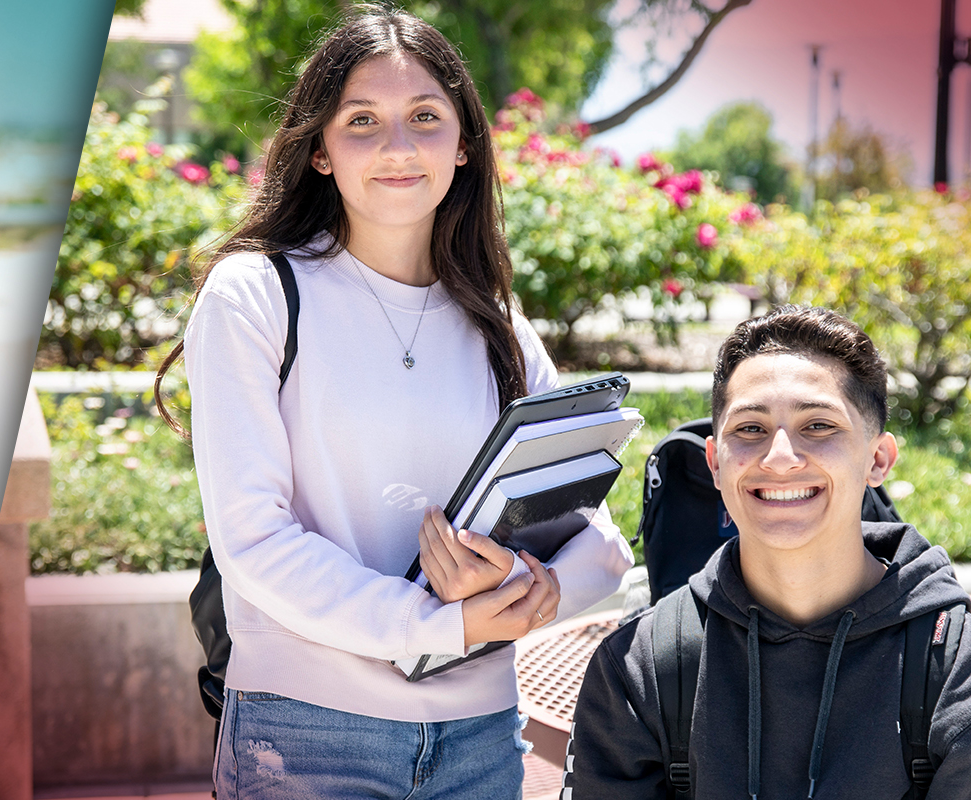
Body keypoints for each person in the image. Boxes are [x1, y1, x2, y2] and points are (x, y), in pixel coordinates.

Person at [163, 6, 629, 797]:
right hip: (305, 731)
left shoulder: (499, 327)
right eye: (362, 122)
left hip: (482, 737)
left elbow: (600, 545)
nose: (398, 147)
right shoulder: (258, 294)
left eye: (424, 117)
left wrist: (532, 587)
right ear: (319, 150)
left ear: (464, 144)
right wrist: (438, 624)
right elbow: (252, 540)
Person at [558, 305, 971, 799]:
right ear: (715, 464)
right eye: (750, 429)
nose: (781, 459)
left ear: (878, 459)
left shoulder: (964, 679)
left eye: (818, 426)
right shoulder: (643, 665)